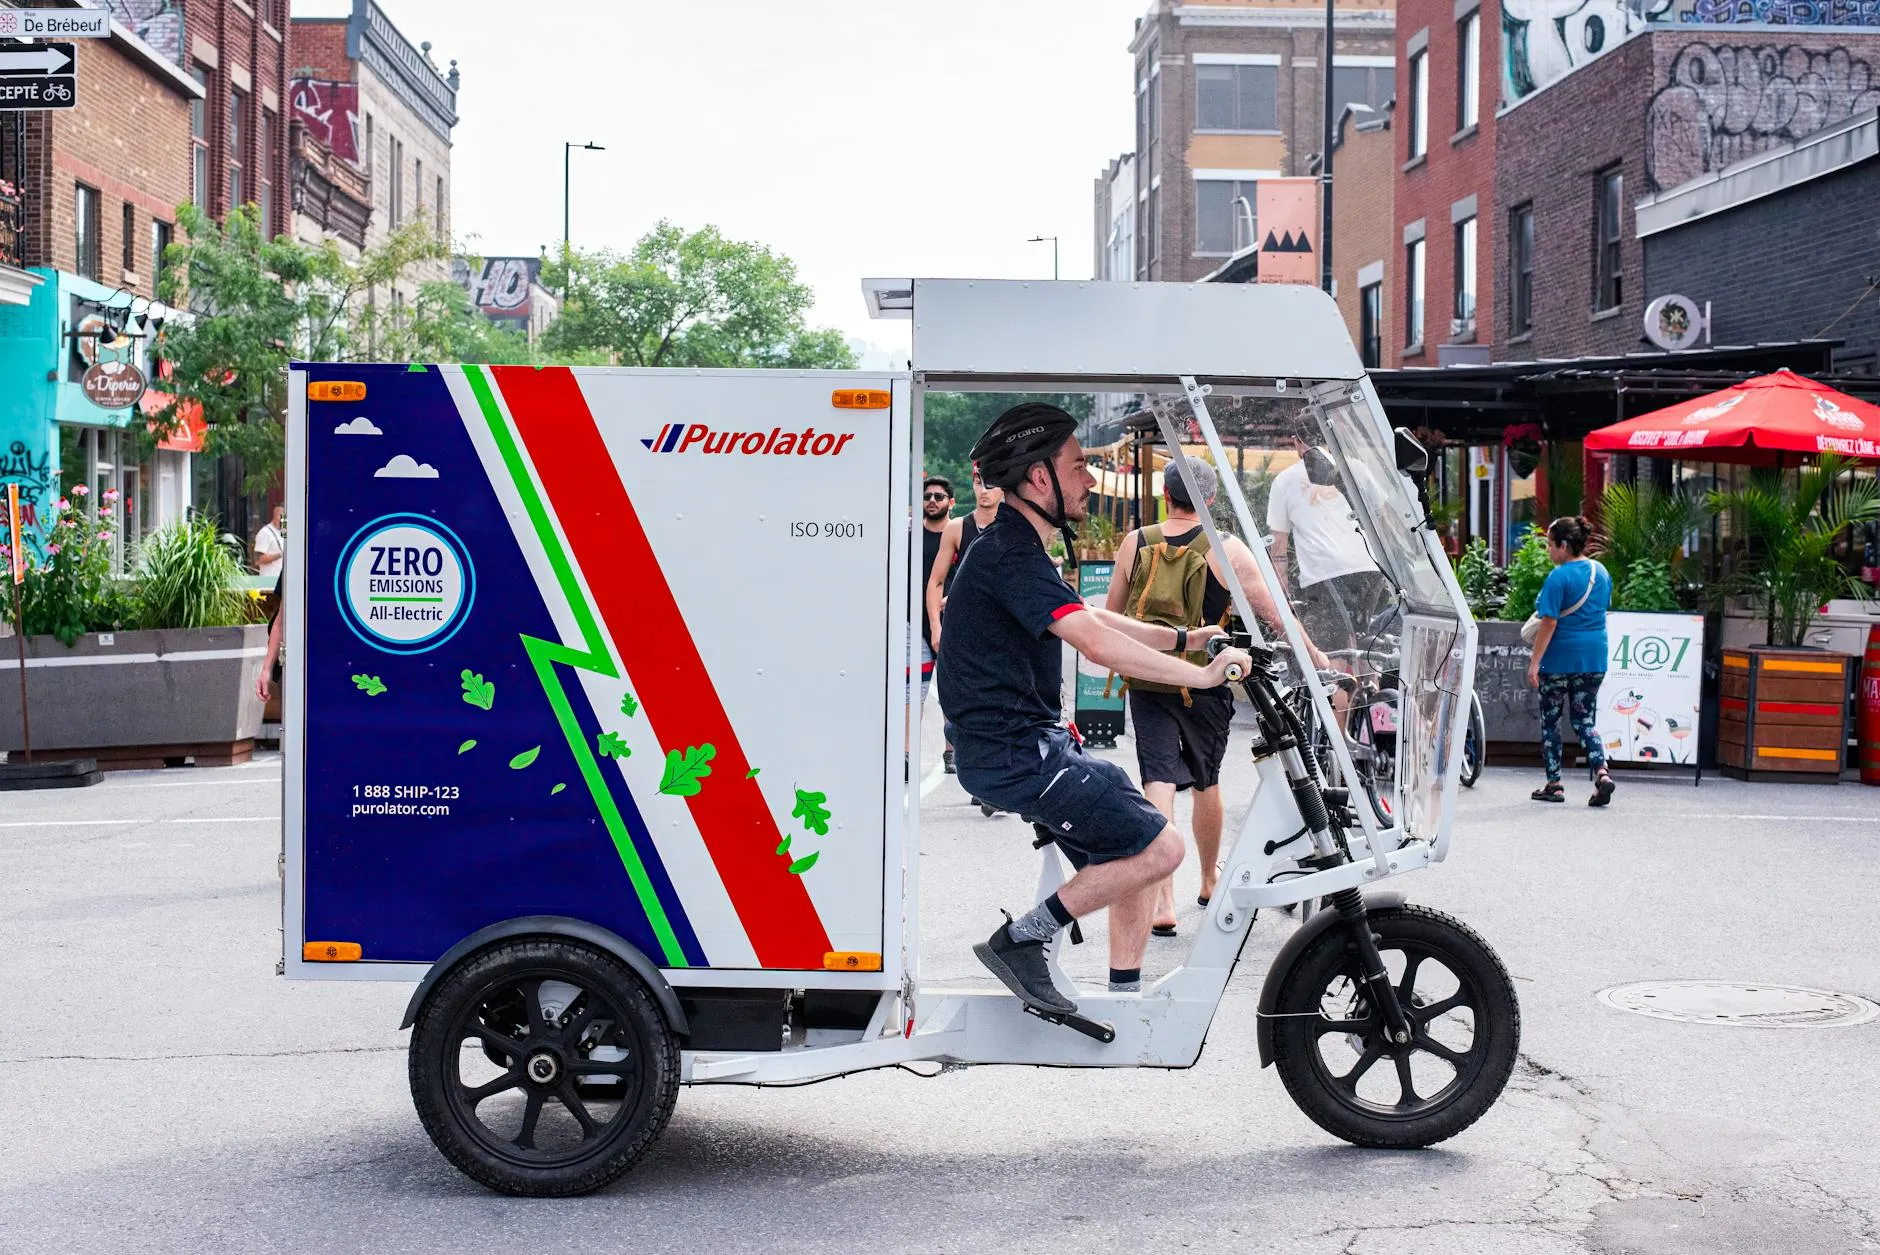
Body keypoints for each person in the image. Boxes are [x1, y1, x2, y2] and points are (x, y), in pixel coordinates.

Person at [938, 402, 1251, 1015]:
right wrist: (1203, 675)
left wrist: (1186, 638)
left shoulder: (1021, 546)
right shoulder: (1009, 553)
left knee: (1134, 847)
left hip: (1026, 746)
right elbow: (1097, 644)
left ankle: (1124, 998)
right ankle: (1019, 942)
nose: (1089, 479)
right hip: (1013, 753)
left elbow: (1096, 617)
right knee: (1163, 851)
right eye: (1078, 466)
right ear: (1038, 480)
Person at [1105, 456, 1323, 931]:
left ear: (1166, 496)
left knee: (1156, 783)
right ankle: (1206, 879)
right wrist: (1314, 655)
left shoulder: (1135, 543)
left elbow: (1112, 617)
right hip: (1206, 681)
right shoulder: (1227, 550)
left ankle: (1162, 903)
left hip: (1147, 678)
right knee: (1207, 780)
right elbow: (1274, 613)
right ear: (1210, 500)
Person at [1266, 420, 1388, 654]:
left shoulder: (1284, 480)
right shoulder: (1356, 468)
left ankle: (1340, 689)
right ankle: (1369, 689)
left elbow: (1278, 546)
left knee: (1333, 656)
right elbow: (1382, 518)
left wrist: (1282, 595)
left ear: (1297, 442)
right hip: (1369, 569)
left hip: (1324, 576)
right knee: (1366, 648)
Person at [1526, 516, 1614, 806]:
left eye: (1551, 545)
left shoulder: (1559, 577)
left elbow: (1548, 622)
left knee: (1551, 721)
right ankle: (1601, 772)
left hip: (1558, 660)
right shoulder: (1600, 572)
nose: (1549, 551)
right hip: (1594, 660)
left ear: (1564, 546)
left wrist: (1535, 662)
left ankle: (1554, 784)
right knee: (1584, 720)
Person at [925, 465, 1002, 773]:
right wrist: (935, 626)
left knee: (998, 706)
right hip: (964, 632)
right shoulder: (956, 528)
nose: (985, 490)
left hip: (1002, 633)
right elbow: (935, 582)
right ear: (972, 484)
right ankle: (972, 766)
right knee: (967, 704)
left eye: (992, 484)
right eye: (980, 483)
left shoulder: (1015, 526)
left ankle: (993, 775)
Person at [918, 476, 954, 709]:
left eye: (939, 497)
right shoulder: (908, 537)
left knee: (952, 695)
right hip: (914, 625)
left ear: (951, 502)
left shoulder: (961, 535)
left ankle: (951, 748)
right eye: (927, 496)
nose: (932, 500)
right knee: (911, 695)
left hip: (953, 624)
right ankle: (907, 747)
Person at [254, 505, 285, 581]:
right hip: (269, 579)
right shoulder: (265, 533)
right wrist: (281, 554)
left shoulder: (282, 532)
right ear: (277, 517)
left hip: (281, 580)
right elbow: (260, 559)